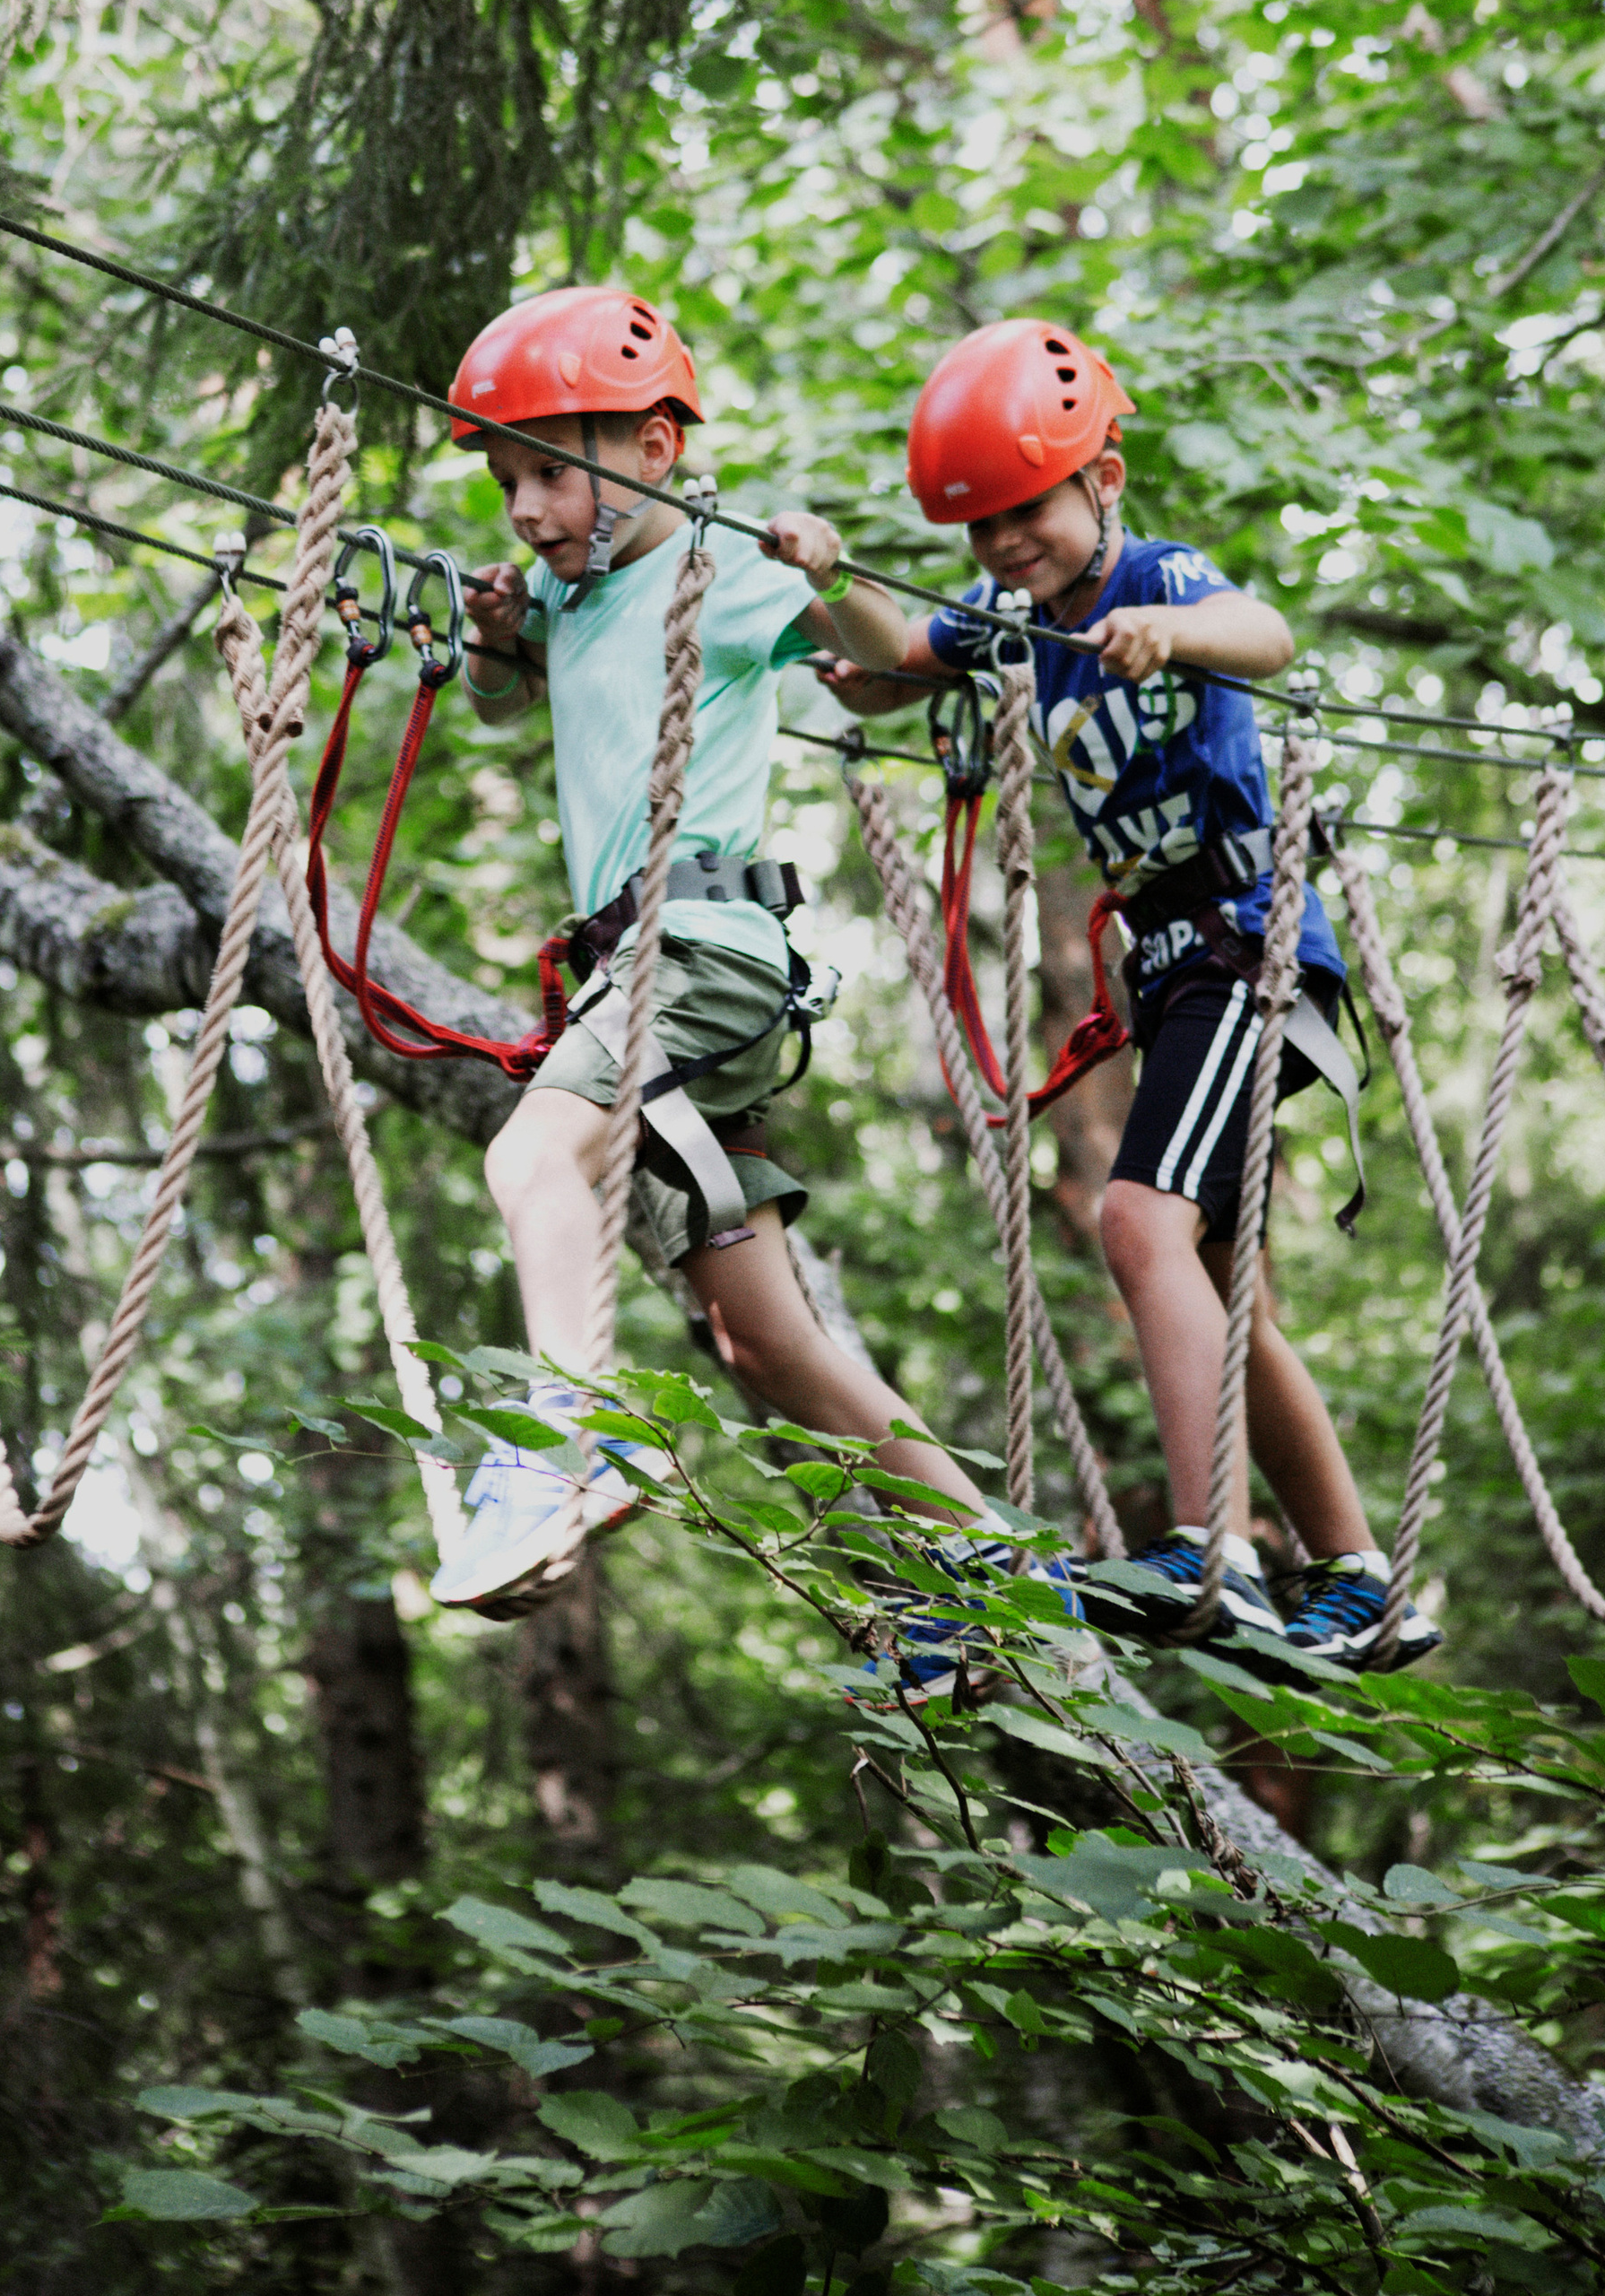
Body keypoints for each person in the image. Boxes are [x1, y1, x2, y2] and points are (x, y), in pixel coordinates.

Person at [431, 284, 1080, 1696]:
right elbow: (500, 698)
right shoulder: (566, 591)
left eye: (549, 472)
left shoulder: (725, 573)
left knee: (535, 1154)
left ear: (653, 450)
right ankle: (987, 1570)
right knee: (760, 1331)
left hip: (705, 948)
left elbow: (895, 675)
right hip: (637, 970)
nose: (526, 509)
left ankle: (571, 1441)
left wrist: (834, 573)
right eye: (506, 484)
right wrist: (492, 632)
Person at [828, 317, 1437, 1676]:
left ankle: (1212, 1549)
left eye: (1023, 509)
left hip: (1247, 948)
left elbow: (1263, 631)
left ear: (1099, 477)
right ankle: (1358, 1576)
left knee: (1137, 1217)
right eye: (978, 524)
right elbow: (901, 650)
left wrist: (1171, 628)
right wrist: (827, 585)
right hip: (1171, 973)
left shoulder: (1154, 577)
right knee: (1219, 1281)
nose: (1002, 544)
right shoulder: (1019, 629)